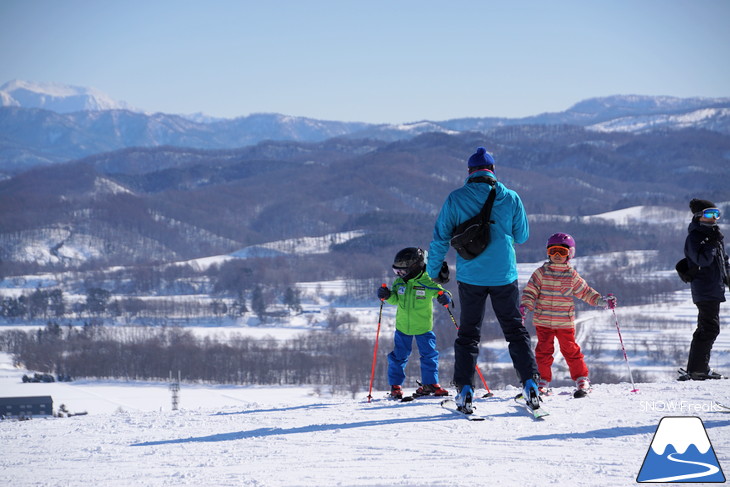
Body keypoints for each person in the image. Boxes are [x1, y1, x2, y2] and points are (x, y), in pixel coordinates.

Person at [427, 147, 539, 413]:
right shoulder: (510, 197)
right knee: (515, 330)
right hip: (504, 275)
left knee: (468, 334)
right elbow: (522, 235)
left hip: (471, 277)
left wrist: (434, 272)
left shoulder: (456, 198)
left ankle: (465, 391)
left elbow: (440, 238)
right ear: (492, 171)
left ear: (469, 172)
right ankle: (530, 385)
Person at [520, 233, 616, 396]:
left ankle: (581, 379)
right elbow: (530, 292)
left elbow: (585, 292)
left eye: (562, 252)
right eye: (553, 251)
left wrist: (602, 301)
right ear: (548, 253)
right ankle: (542, 381)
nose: (557, 256)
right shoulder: (541, 273)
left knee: (571, 351)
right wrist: (525, 307)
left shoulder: (571, 275)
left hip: (564, 322)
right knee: (543, 352)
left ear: (569, 254)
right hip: (543, 321)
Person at [377, 247, 451, 399]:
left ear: (414, 268)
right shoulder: (399, 283)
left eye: (402, 272)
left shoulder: (427, 281)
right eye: (397, 272)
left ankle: (430, 384)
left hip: (423, 328)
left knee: (429, 355)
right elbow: (395, 299)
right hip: (403, 328)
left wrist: (445, 297)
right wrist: (387, 295)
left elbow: (442, 291)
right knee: (398, 356)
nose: (399, 275)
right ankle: (395, 386)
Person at [679, 199, 729, 380]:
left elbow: (723, 260)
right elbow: (703, 261)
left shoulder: (714, 235)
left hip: (713, 287)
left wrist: (727, 276)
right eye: (709, 214)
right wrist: (710, 243)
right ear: (699, 216)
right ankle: (698, 370)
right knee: (709, 328)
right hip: (704, 288)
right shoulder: (695, 237)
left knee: (706, 328)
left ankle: (697, 368)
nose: (714, 218)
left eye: (716, 214)